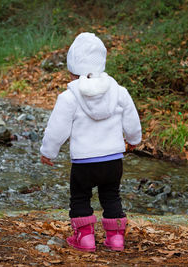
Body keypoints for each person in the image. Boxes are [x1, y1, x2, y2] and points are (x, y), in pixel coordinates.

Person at [40, 32, 141, 252]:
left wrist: (48, 152)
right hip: (113, 159)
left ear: (71, 68)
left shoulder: (69, 97)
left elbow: (57, 129)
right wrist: (133, 140)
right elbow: (131, 119)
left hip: (84, 162)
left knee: (80, 197)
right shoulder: (119, 92)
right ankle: (116, 240)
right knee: (111, 196)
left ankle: (85, 239)